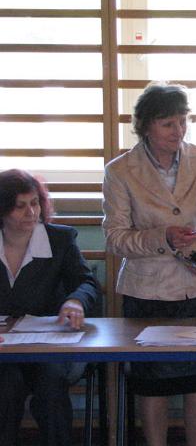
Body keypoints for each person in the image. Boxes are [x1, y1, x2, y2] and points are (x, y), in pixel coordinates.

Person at [102, 82, 196, 446]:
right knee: (153, 385)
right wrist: (163, 237)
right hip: (148, 291)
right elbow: (115, 238)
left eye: (183, 121)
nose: (179, 131)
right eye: (168, 124)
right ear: (145, 126)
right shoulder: (120, 170)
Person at [0, 169, 100, 446]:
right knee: (6, 386)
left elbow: (86, 283)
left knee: (50, 383)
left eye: (35, 203)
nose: (31, 212)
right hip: (4, 348)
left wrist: (75, 300)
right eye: (20, 206)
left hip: (50, 345)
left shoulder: (60, 239)